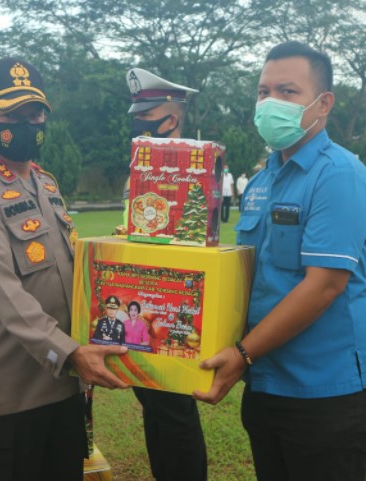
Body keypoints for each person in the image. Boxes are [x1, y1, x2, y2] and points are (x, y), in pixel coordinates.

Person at [195, 41, 366, 481]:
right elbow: (251, 273)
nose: (270, 103)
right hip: (268, 377)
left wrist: (243, 353)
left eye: (287, 92)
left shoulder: (338, 174)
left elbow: (323, 286)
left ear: (323, 104)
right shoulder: (264, 179)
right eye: (263, 92)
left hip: (327, 388)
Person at [0, 57, 127, 481]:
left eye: (35, 113)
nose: (28, 123)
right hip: (8, 398)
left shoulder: (45, 184)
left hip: (61, 388)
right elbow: (6, 296)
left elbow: (68, 267)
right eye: (11, 114)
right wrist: (73, 353)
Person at [125, 66, 208, 481]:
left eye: (146, 116)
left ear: (171, 119)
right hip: (142, 299)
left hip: (173, 303)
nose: (138, 125)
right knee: (154, 407)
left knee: (174, 411)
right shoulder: (141, 166)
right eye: (137, 117)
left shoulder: (194, 169)